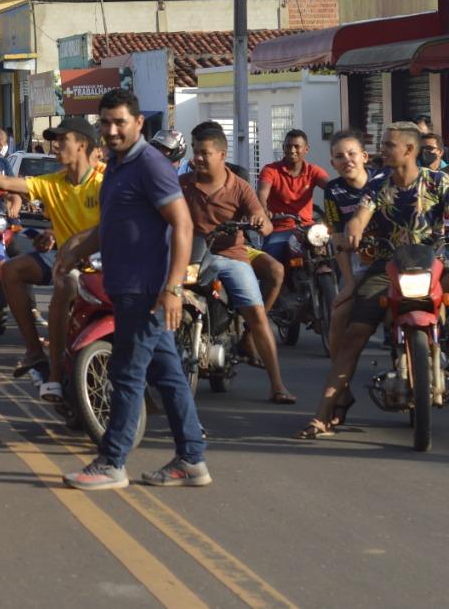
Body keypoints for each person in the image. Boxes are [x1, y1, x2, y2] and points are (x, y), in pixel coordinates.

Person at [58, 89, 208, 490]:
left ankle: (112, 462)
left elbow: (182, 224)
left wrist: (173, 288)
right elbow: (114, 226)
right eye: (105, 122)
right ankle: (191, 459)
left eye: (120, 122)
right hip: (125, 287)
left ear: (139, 123)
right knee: (169, 375)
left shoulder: (150, 165)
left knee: (126, 375)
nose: (111, 130)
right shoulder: (120, 167)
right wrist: (77, 249)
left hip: (145, 291)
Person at [296, 122, 449, 439]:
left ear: (409, 149)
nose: (383, 150)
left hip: (435, 263)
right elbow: (360, 216)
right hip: (387, 267)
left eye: (389, 145)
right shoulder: (378, 186)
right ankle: (324, 414)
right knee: (353, 335)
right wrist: (353, 230)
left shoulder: (439, 182)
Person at [0, 117, 102, 399]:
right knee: (12, 270)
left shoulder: (104, 181)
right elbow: (3, 182)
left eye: (63, 140)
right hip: (63, 259)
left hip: (100, 264)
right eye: (54, 139)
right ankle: (36, 353)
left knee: (65, 287)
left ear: (83, 145)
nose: (55, 145)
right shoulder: (52, 183)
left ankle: (57, 374)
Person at [180, 124, 295, 403]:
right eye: (195, 152)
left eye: (204, 153)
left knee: (256, 315)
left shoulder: (240, 187)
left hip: (231, 257)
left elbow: (263, 221)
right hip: (191, 256)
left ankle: (277, 384)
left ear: (222, 153)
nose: (198, 158)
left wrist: (260, 222)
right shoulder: (182, 185)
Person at [321, 130, 387, 365]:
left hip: (396, 260)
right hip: (364, 266)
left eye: (352, 154)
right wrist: (348, 284)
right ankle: (339, 378)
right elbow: (339, 240)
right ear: (333, 163)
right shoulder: (333, 191)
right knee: (339, 313)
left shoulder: (384, 180)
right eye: (339, 156)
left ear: (365, 156)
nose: (347, 160)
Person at [257, 130, 330, 263]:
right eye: (288, 146)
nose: (292, 150)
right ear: (283, 148)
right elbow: (262, 192)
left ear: (306, 149)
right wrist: (263, 209)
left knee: (332, 253)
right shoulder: (270, 170)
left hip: (307, 228)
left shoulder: (313, 171)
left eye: (297, 146)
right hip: (279, 229)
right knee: (273, 261)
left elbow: (331, 189)